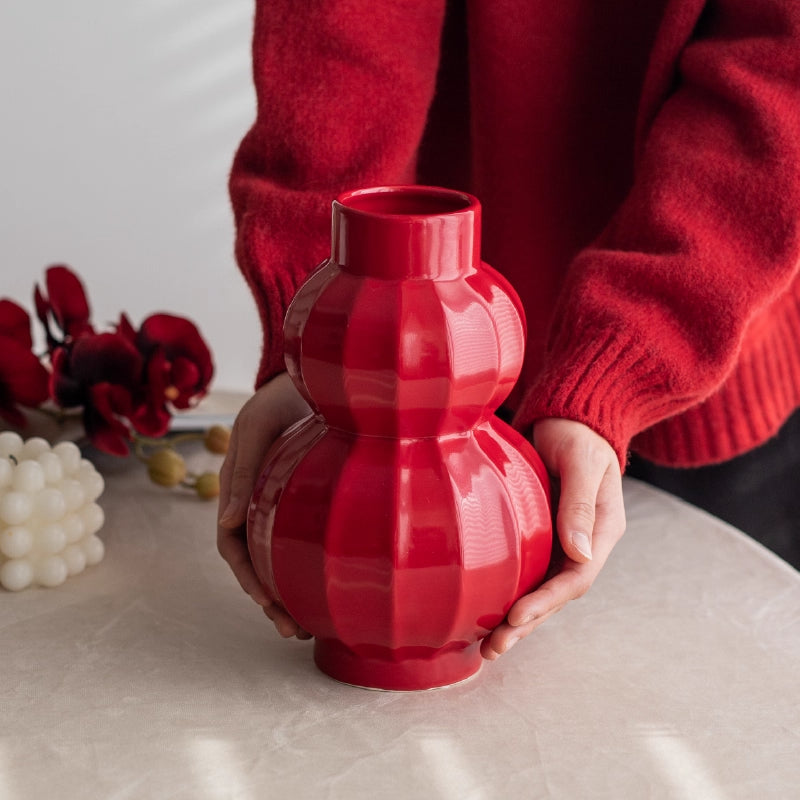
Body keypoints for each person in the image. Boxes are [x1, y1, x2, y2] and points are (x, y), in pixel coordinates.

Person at [218, 0, 800, 658]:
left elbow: (776, 70)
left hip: (708, 349)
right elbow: (339, 38)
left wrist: (619, 363)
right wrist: (320, 344)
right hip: (408, 359)